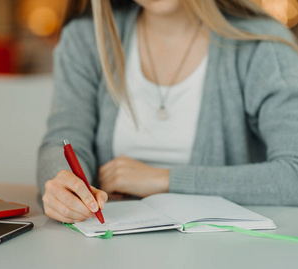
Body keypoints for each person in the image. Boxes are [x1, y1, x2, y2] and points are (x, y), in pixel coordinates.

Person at [37, 0, 298, 224]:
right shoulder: (86, 38)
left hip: (223, 258)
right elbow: (64, 138)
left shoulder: (261, 45)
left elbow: (293, 173)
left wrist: (164, 179)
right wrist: (62, 186)